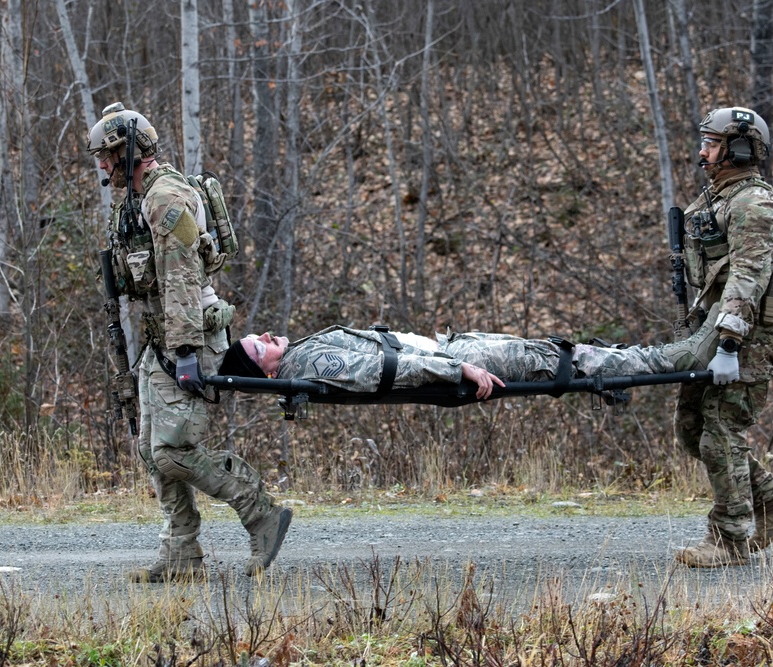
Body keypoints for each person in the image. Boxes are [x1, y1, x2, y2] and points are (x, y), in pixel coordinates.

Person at [88, 102, 291, 583]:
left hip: (190, 339)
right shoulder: (135, 199)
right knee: (149, 447)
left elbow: (180, 280)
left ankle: (260, 513)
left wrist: (183, 355)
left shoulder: (166, 199)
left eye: (106, 155)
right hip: (164, 339)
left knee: (175, 449)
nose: (101, 165)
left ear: (128, 152)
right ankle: (181, 551)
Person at [671, 106, 773, 568]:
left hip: (748, 335)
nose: (701, 151)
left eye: (711, 142)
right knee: (692, 430)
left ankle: (729, 537)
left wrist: (729, 343)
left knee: (721, 431)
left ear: (740, 148)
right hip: (716, 329)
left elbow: (748, 273)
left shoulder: (754, 204)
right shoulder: (718, 199)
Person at [217, 321, 724, 400]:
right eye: (260, 345)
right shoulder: (306, 364)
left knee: (561, 356)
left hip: (450, 349)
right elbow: (382, 371)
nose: (266, 335)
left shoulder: (301, 356)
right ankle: (683, 354)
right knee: (564, 361)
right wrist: (455, 368)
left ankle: (677, 351)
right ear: (266, 370)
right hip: (454, 358)